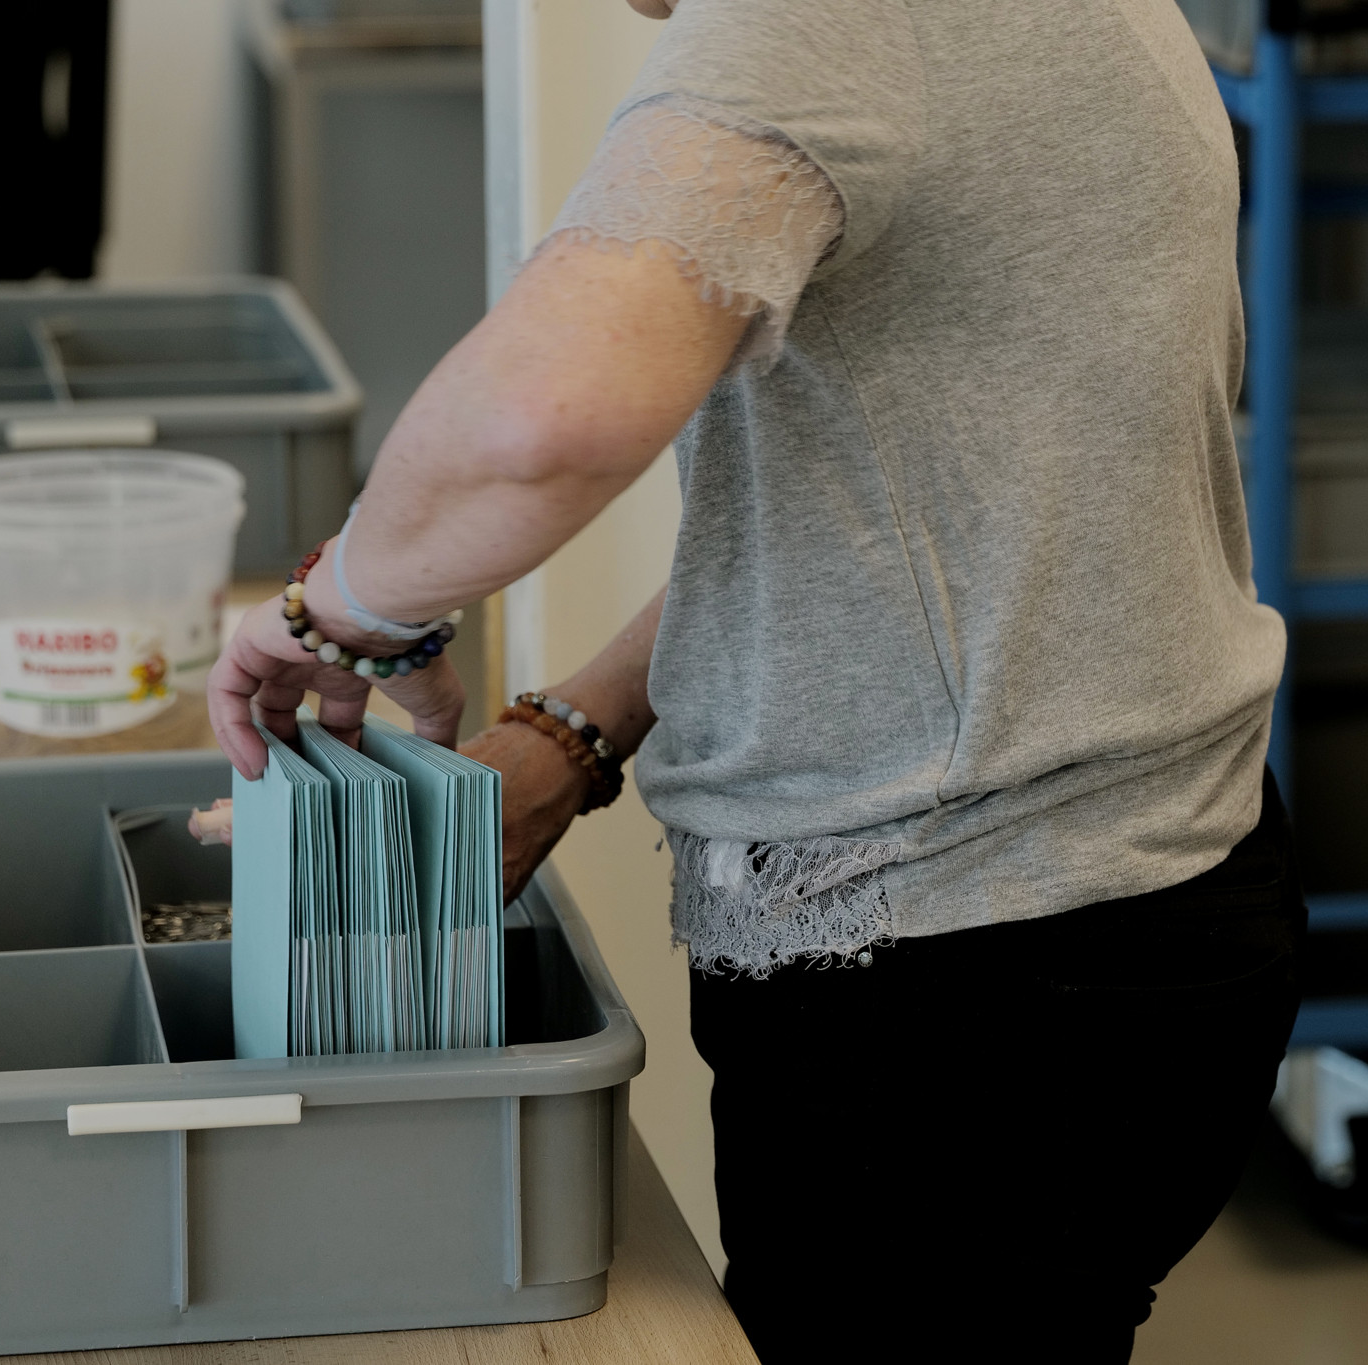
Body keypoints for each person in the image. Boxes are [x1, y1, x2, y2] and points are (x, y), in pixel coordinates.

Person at [208, 0, 1302, 1358]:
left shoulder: (817, 14)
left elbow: (541, 420)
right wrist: (575, 733)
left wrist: (339, 610)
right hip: (1137, 920)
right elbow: (952, 512)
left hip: (971, 987)